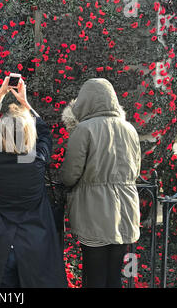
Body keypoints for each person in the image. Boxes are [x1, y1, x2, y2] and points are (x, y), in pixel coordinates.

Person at [0, 76, 67, 288]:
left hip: (0, 248)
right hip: (34, 245)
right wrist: (25, 103)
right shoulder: (37, 161)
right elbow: (45, 133)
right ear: (29, 134)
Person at [60, 78, 141, 288]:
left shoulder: (84, 129)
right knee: (114, 277)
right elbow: (136, 170)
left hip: (93, 213)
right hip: (125, 212)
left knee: (93, 277)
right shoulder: (130, 129)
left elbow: (70, 174)